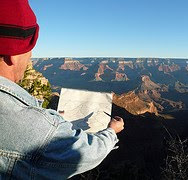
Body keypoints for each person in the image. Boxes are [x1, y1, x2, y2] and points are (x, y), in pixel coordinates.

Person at [0, 0, 124, 179]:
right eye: (29, 49)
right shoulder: (35, 128)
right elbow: (85, 154)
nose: (31, 57)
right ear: (12, 54)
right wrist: (112, 131)